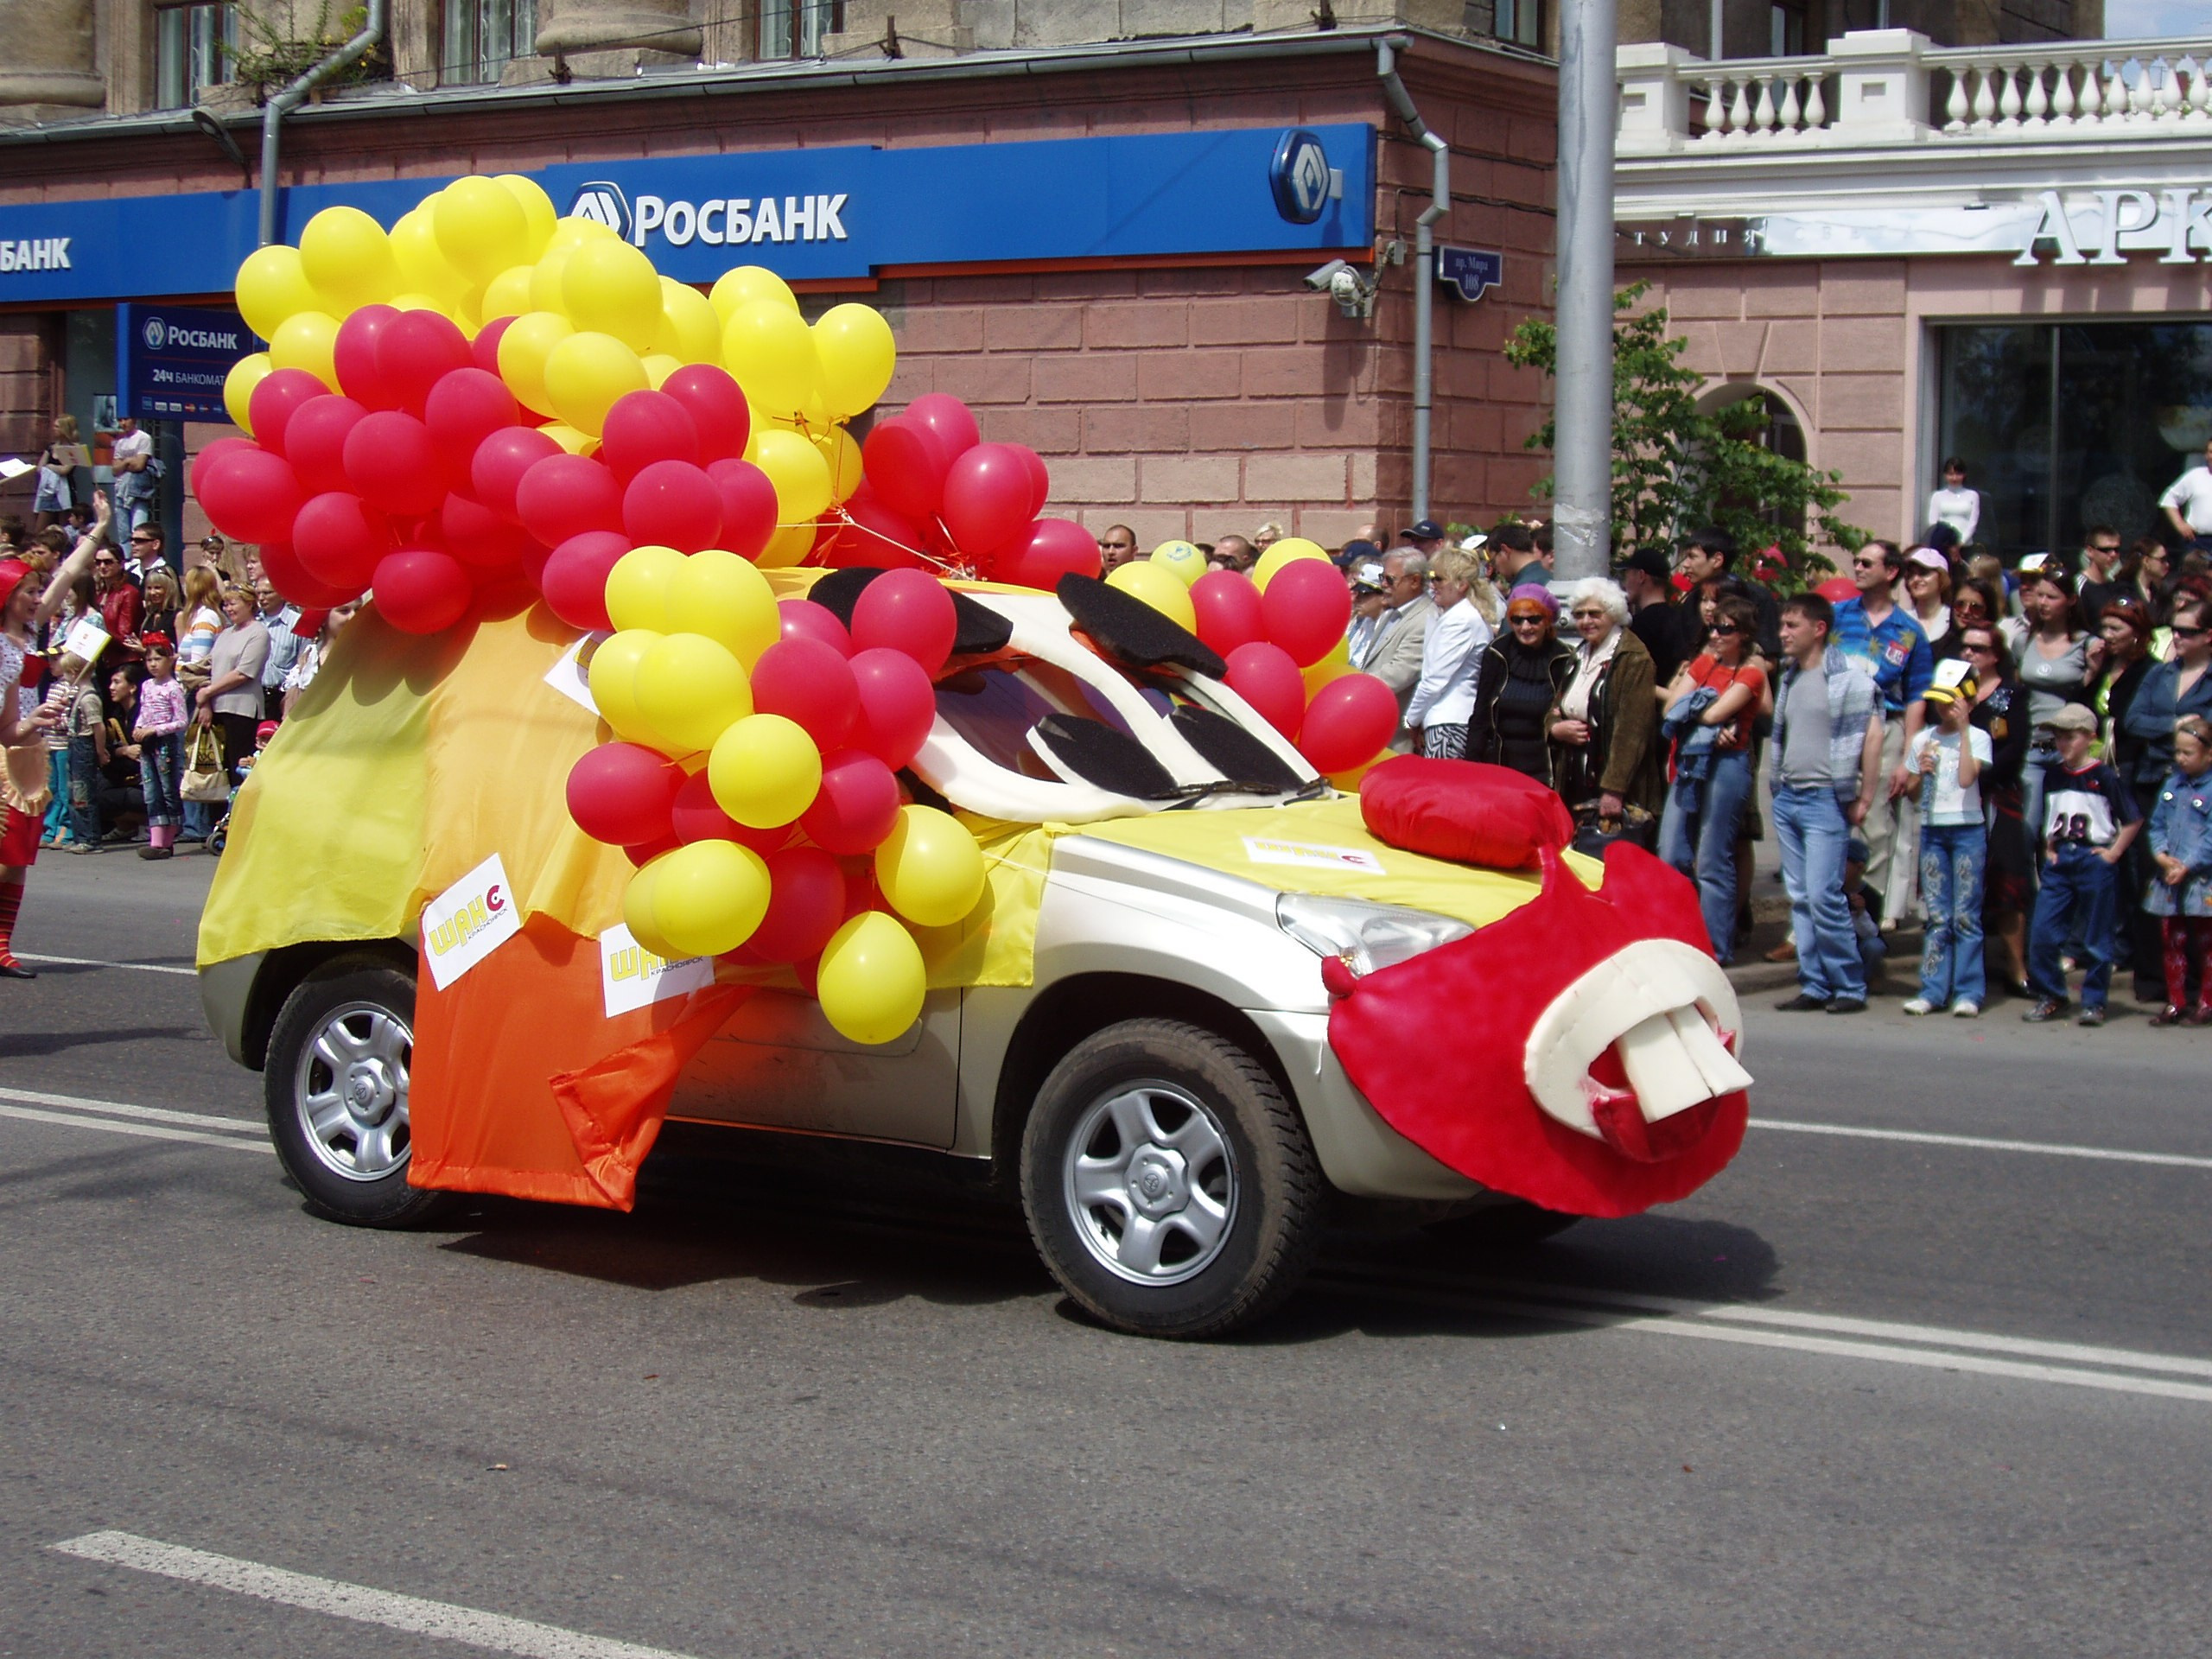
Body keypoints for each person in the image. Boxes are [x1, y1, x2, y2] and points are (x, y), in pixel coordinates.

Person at [1770, 592, 1885, 1015]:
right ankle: (1815, 982)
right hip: (1790, 797)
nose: (1783, 633)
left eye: (1792, 626)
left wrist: (1865, 796)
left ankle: (1849, 985)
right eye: (1783, 625)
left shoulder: (1849, 678)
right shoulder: (1789, 676)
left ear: (1819, 629)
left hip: (1824, 799)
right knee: (1800, 896)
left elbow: (1872, 736)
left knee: (1823, 894)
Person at [0, 538, 96, 977]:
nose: (40, 599)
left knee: (18, 859)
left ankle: (1, 947)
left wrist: (98, 529)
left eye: (38, 591)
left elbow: (66, 579)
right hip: (3, 757)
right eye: (29, 591)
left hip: (27, 751)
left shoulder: (31, 635)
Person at [1656, 592, 1766, 963]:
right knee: (1670, 852)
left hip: (1727, 766)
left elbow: (1712, 715)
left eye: (1725, 629)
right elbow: (1672, 706)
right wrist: (1700, 709)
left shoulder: (1752, 671)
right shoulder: (1704, 662)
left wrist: (1698, 707)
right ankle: (1680, 936)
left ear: (1744, 635)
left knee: (1712, 858)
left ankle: (1714, 947)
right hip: (1691, 759)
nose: (1716, 634)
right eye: (1713, 626)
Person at [1834, 541, 1934, 927]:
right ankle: (1809, 927)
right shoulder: (1837, 616)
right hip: (1838, 729)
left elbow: (1917, 696)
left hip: (1886, 728)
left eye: (1866, 562)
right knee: (1828, 825)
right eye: (1855, 559)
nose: (1856, 566)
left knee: (1876, 830)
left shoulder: (1909, 631)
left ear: (1891, 572)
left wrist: (1909, 757)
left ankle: (1867, 924)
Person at [2022, 703, 2140, 1026]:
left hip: (2092, 857)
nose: (2063, 744)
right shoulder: (2053, 775)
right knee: (2043, 933)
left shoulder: (2103, 777)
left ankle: (2094, 1001)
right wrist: (2049, 847)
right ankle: (2052, 994)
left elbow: (2131, 819)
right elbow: (2053, 815)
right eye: (2058, 737)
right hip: (2061, 860)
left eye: (2070, 737)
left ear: (2090, 737)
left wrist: (2113, 853)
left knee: (2096, 938)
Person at [1902, 672, 1993, 1017]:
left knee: (1966, 915)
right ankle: (1932, 989)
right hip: (1932, 828)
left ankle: (1969, 990)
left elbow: (1968, 777)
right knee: (1938, 915)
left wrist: (1965, 728)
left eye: (1951, 702)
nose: (1944, 709)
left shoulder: (1979, 737)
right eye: (1939, 702)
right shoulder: (1924, 739)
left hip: (1967, 828)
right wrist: (1920, 771)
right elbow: (1910, 792)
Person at [1550, 577, 1662, 823]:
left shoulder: (1632, 658)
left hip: (1611, 780)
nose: (1585, 621)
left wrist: (1614, 789)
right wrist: (1555, 728)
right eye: (1579, 615)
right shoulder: (1579, 654)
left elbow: (1632, 730)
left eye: (1594, 614)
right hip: (1573, 772)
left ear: (1613, 613)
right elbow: (1556, 706)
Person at [1960, 623, 2032, 997]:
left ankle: (2018, 967)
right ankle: (1967, 972)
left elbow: (2015, 747)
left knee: (2009, 881)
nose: (1970, 654)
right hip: (1957, 795)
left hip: (1998, 794)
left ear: (1995, 655)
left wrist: (1981, 771)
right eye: (1966, 647)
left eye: (1979, 649)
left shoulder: (2011, 695)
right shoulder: (1954, 691)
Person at [2011, 557, 2092, 850]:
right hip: (2033, 746)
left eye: (2052, 596)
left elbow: (2091, 695)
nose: (2043, 602)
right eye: (2040, 594)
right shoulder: (2023, 642)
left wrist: (2093, 672)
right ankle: (2029, 893)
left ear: (2070, 600)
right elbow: (2017, 690)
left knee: (2063, 834)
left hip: (2069, 749)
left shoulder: (2086, 644)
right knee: (2027, 829)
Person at [1467, 584, 1573, 786]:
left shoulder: (1564, 657)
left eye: (1534, 619)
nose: (1525, 627)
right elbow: (1480, 713)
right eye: (1517, 620)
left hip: (1545, 766)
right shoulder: (1497, 652)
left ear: (1548, 620)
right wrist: (1472, 766)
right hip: (1501, 764)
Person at [2145, 714, 2212, 1026]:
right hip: (2170, 877)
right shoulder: (2172, 784)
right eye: (2178, 752)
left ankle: (2207, 1001)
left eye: (2188, 753)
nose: (2181, 758)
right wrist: (2161, 855)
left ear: (2209, 754)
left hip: (2201, 880)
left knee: (2205, 942)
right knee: (2172, 939)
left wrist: (2188, 864)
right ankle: (2177, 1001)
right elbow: (2156, 824)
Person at [1403, 548, 1491, 760]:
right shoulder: (1451, 616)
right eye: (1431, 578)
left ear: (1461, 584)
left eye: (1439, 579)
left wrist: (1411, 720)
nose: (1432, 585)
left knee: (1441, 790)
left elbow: (1434, 680)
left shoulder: (1461, 620)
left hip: (1450, 724)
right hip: (1441, 721)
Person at [1356, 550, 1434, 750]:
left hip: (1398, 740)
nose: (1383, 585)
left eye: (1390, 580)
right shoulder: (1389, 615)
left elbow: (1399, 673)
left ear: (1415, 581)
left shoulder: (1425, 619)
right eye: (1383, 578)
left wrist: (1352, 689)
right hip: (1371, 730)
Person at [195, 586, 269, 792]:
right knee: (218, 771)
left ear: (249, 604)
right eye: (225, 604)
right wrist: (206, 703)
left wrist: (209, 692)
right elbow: (210, 669)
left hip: (241, 711)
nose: (228, 609)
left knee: (239, 769)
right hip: (217, 710)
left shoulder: (258, 633)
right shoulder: (225, 633)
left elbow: (243, 673)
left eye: (233, 603)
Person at [134, 639, 190, 859]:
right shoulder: (147, 686)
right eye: (149, 659)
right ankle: (155, 840)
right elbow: (144, 710)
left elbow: (181, 721)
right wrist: (139, 726)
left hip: (165, 742)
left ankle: (167, 840)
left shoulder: (173, 688)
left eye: (158, 659)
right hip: (148, 741)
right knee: (151, 789)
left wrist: (155, 730)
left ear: (170, 660)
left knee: (168, 789)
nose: (153, 664)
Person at [1620, 547, 1690, 685]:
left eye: (1626, 575)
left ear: (1641, 576)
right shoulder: (1682, 619)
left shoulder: (1639, 626)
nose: (1624, 583)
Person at [283, 601, 356, 711]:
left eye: (358, 609)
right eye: (344, 611)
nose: (353, 616)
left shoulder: (366, 656)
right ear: (324, 618)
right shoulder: (310, 661)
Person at [2159, 436, 2212, 552]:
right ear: (2206, 454)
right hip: (2198, 542)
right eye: (2210, 452)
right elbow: (2168, 498)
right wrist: (2180, 524)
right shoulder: (2195, 476)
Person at [111, 414, 158, 538]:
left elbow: (139, 465)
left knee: (139, 529)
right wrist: (129, 461)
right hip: (120, 488)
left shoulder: (143, 438)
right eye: (120, 420)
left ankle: (139, 557)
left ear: (134, 420)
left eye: (126, 419)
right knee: (123, 531)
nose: (123, 423)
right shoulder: (120, 442)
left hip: (138, 490)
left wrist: (124, 462)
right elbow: (115, 470)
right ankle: (127, 556)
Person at [33, 415, 82, 531]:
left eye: (57, 427)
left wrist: (50, 466)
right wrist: (52, 468)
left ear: (65, 429)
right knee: (40, 528)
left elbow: (65, 470)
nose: (54, 429)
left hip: (64, 491)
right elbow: (40, 468)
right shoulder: (51, 447)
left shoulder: (74, 449)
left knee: (64, 528)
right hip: (48, 491)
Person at [1903, 548, 1954, 652]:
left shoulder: (1954, 620)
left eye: (1923, 573)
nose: (1916, 579)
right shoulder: (1900, 620)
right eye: (1911, 575)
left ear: (1941, 577)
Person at [2076, 525, 2128, 625]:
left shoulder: (2116, 587)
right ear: (2090, 551)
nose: (2113, 554)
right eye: (2106, 550)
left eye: (2116, 549)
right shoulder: (2078, 586)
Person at [2121, 537, 2174, 632]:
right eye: (2162, 560)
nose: (2167, 564)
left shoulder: (2160, 593)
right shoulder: (2125, 591)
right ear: (2146, 561)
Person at [1927, 457, 1980, 547]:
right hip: (1943, 545)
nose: (1954, 478)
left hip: (1965, 545)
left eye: (1958, 474)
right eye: (1950, 474)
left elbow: (1973, 523)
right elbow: (1933, 523)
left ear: (1964, 475)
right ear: (1945, 475)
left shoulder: (1973, 495)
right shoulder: (1937, 496)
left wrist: (1961, 543)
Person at [140, 565, 180, 645]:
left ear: (170, 589)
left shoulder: (178, 615)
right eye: (149, 588)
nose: (152, 592)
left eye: (157, 588)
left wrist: (144, 651)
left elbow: (182, 653)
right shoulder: (150, 615)